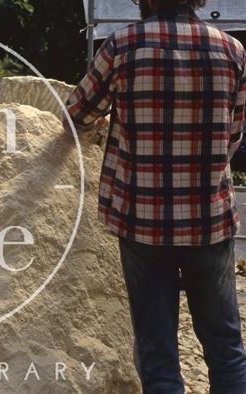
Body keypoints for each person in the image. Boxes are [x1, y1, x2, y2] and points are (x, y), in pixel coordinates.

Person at [63, 0, 246, 392]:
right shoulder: (231, 49)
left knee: (157, 349)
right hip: (209, 221)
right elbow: (233, 136)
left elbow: (75, 116)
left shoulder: (121, 46)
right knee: (226, 347)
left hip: (141, 222)